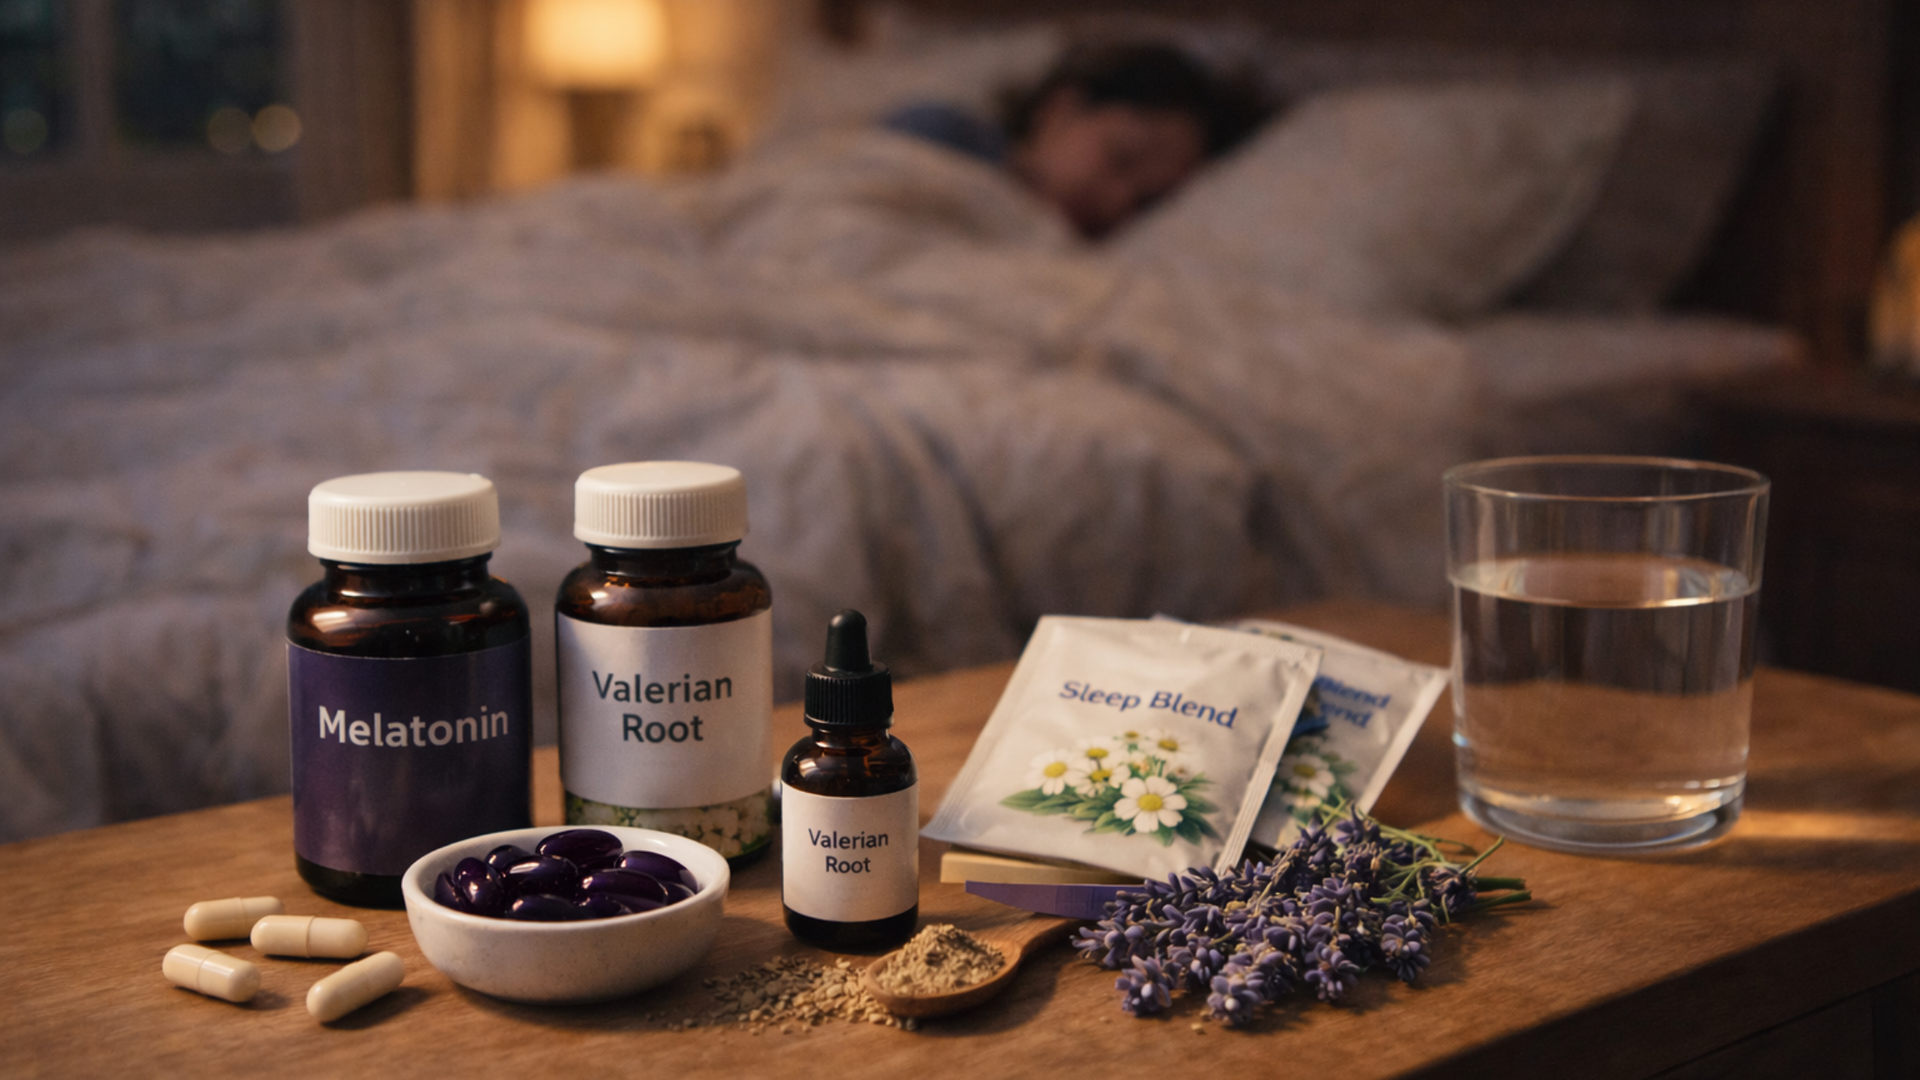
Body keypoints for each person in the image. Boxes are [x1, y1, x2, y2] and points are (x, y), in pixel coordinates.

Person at [884, 41, 1269, 239]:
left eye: (1144, 204)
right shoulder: (942, 136)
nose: (1119, 202)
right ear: (1061, 110)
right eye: (1122, 158)